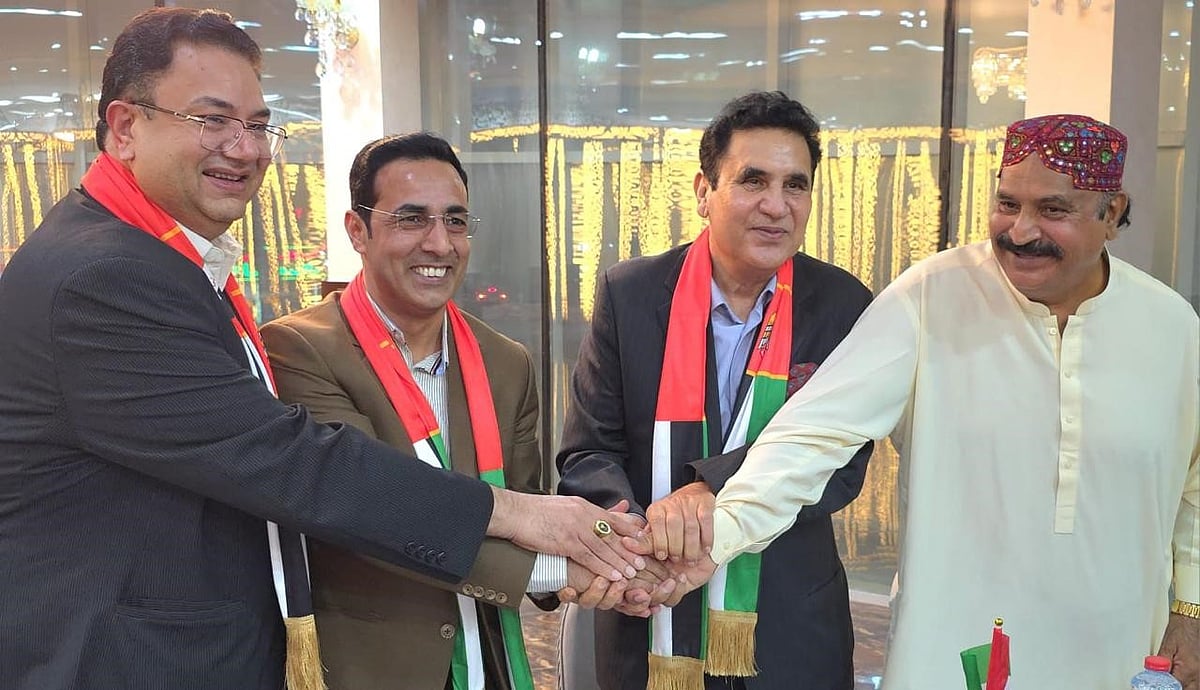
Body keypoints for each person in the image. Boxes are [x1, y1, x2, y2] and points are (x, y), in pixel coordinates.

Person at [0, 9, 644, 690]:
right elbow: (295, 464)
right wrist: (524, 518)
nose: (244, 149)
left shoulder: (159, 261)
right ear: (126, 127)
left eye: (258, 125)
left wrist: (578, 551)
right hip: (131, 659)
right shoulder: (106, 277)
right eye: (212, 120)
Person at [677, 114, 1199, 689]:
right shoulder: (931, 297)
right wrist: (716, 535)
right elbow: (814, 435)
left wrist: (1192, 608)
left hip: (1120, 651)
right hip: (952, 649)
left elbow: (1194, 489)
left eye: (1053, 210)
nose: (1021, 230)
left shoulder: (1172, 327)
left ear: (1112, 213)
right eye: (1007, 204)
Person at [261, 133, 631, 689]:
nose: (439, 243)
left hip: (490, 661)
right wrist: (572, 565)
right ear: (357, 230)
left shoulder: (505, 361)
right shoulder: (298, 349)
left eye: (455, 221)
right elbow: (369, 515)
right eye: (411, 219)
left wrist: (605, 559)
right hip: (369, 669)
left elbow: (530, 510)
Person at [556, 91, 875, 690]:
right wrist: (640, 542)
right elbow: (589, 451)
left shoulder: (842, 305)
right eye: (753, 181)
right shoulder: (631, 295)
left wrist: (712, 494)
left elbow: (844, 459)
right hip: (647, 604)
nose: (776, 206)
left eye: (796, 185)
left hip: (789, 620)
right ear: (704, 192)